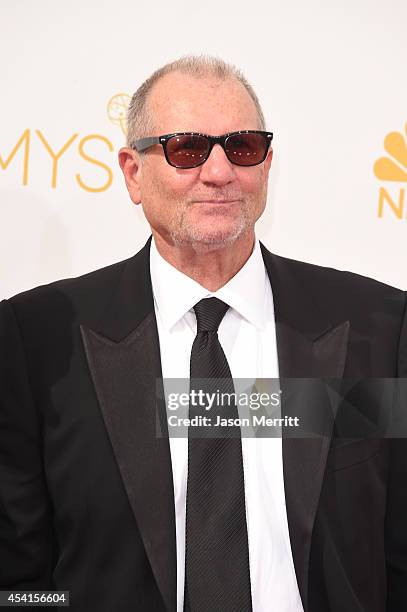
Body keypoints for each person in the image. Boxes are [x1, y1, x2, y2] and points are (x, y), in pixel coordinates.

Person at [0, 55, 406, 612]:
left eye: (242, 147)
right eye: (187, 149)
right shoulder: (38, 338)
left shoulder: (380, 326)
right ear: (133, 172)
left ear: (266, 166)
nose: (219, 172)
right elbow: (19, 578)